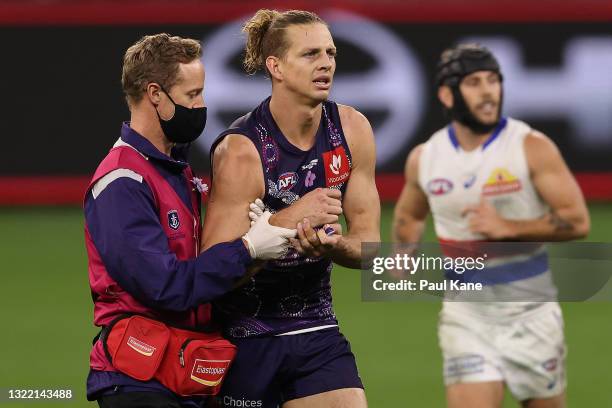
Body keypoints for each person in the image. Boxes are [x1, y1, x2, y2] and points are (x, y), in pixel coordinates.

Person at [84, 33, 305, 408]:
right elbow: (166, 286)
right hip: (139, 381)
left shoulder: (174, 169)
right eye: (192, 95)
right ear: (155, 94)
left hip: (187, 372)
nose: (201, 106)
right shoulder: (122, 181)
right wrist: (248, 248)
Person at [392, 43, 590, 408]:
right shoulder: (426, 157)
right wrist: (404, 254)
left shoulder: (531, 146)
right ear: (447, 95)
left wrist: (509, 227)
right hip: (466, 315)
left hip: (531, 313)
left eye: (493, 81)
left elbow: (578, 222)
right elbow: (409, 215)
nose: (488, 91)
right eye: (474, 82)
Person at [201, 9, 380, 408]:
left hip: (316, 330)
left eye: (331, 53)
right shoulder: (242, 151)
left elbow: (371, 248)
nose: (326, 63)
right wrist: (284, 225)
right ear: (276, 66)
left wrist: (332, 247)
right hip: (244, 339)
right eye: (310, 54)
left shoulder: (352, 131)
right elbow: (211, 271)